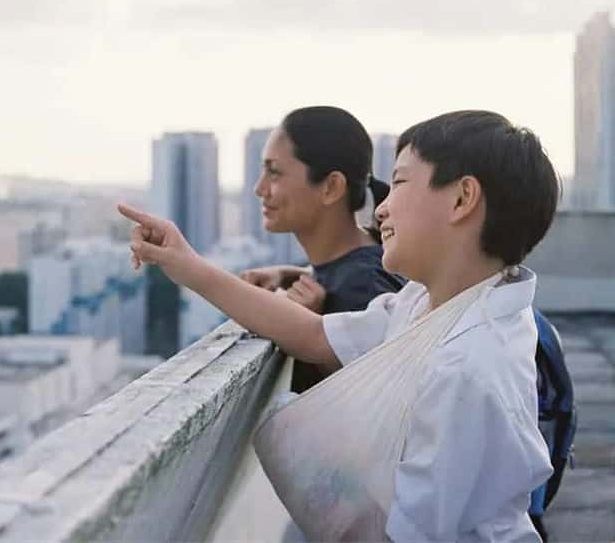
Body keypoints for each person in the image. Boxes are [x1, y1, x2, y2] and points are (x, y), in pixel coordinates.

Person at [118, 110, 556, 542]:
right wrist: (188, 266)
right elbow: (313, 336)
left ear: (461, 199)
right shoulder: (423, 305)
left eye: (400, 182)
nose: (381, 209)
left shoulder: (467, 366)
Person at [237, 106, 403, 390]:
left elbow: (367, 408)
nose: (259, 188)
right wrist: (292, 274)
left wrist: (310, 325)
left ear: (331, 187)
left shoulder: (363, 286)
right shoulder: (358, 263)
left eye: (274, 173)